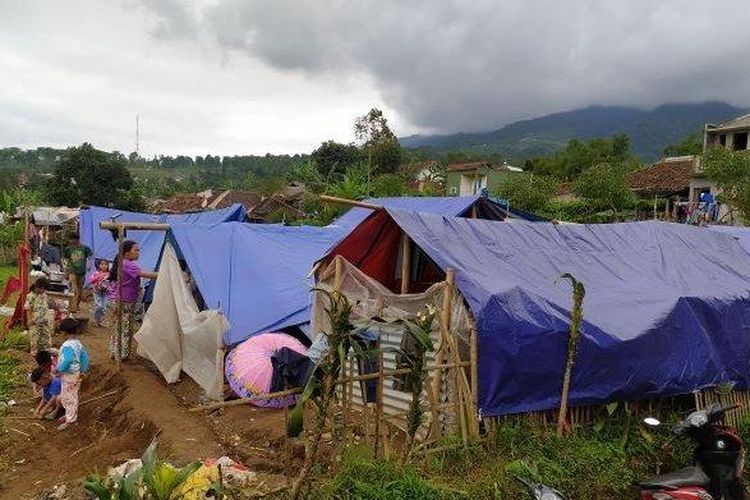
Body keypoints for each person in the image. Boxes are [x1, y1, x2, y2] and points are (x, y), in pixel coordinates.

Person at [107, 241, 157, 360]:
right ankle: (122, 354)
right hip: (125, 301)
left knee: (116, 327)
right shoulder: (129, 264)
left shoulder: (121, 263)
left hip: (115, 299)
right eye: (136, 250)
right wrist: (163, 273)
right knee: (125, 327)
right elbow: (144, 274)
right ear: (127, 253)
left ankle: (114, 352)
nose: (138, 252)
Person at [55, 318, 89, 431]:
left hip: (69, 375)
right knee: (69, 395)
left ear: (64, 332)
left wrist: (58, 369)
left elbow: (68, 359)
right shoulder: (78, 343)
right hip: (76, 374)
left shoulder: (67, 345)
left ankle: (70, 420)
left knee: (69, 397)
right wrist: (83, 370)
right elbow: (84, 357)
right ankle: (69, 414)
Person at [64, 232, 92, 314]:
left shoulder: (84, 248)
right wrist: (66, 271)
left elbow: (90, 256)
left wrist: (89, 265)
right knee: (74, 289)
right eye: (70, 240)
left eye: (72, 239)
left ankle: (76, 305)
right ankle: (73, 307)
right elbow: (66, 260)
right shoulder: (68, 248)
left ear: (77, 239)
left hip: (82, 272)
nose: (71, 241)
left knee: (80, 290)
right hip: (72, 271)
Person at [24, 278, 52, 355]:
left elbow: (45, 307)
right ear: (38, 287)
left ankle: (45, 351)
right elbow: (28, 309)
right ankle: (34, 353)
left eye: (44, 289)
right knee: (35, 337)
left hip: (44, 320)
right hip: (35, 320)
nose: (43, 291)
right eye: (42, 288)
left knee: (45, 337)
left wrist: (47, 318)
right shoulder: (30, 296)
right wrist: (30, 320)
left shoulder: (44, 295)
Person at [89, 259, 111, 327]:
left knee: (104, 307)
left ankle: (101, 321)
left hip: (106, 292)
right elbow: (91, 280)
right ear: (98, 265)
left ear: (108, 266)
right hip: (97, 292)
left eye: (105, 264)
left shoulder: (109, 274)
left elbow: (112, 282)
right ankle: (97, 319)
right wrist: (99, 276)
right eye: (102, 264)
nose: (104, 266)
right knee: (99, 306)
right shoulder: (96, 273)